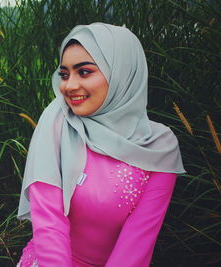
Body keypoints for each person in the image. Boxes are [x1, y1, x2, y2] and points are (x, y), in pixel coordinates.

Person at [16, 23, 185, 267]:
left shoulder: (158, 147)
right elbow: (48, 221)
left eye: (84, 72)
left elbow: (137, 243)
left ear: (121, 72)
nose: (69, 86)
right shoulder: (57, 123)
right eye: (64, 74)